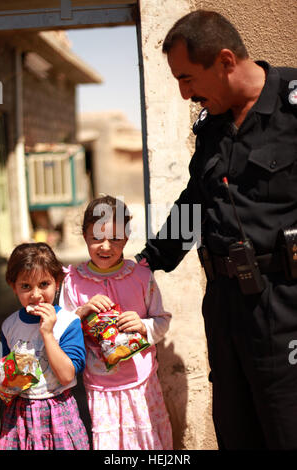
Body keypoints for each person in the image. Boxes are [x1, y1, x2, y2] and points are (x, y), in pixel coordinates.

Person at [136, 10, 297, 450]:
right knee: (236, 431)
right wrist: (147, 263)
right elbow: (197, 202)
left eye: (188, 78)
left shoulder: (292, 106)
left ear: (226, 60)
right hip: (226, 307)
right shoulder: (212, 126)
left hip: (286, 303)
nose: (186, 93)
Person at [59, 195, 173, 450]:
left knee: (149, 443)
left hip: (142, 383)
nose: (106, 247)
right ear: (85, 236)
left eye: (115, 238)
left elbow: (162, 321)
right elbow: (61, 330)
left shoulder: (141, 276)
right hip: (101, 387)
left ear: (127, 236)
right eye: (97, 238)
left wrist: (144, 325)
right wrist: (82, 312)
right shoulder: (73, 281)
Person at [0, 242, 89, 450]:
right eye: (26, 286)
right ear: (13, 287)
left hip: (57, 410)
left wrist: (47, 333)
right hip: (20, 415)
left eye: (44, 284)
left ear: (57, 282)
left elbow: (67, 376)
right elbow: (7, 379)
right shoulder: (10, 325)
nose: (36, 294)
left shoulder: (68, 323)